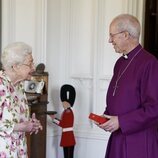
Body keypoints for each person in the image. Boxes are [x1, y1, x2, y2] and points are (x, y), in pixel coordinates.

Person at [97, 14, 158, 158]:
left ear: (126, 35)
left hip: (139, 142)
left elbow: (154, 108)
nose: (110, 40)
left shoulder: (150, 63)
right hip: (118, 139)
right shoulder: (119, 63)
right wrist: (107, 118)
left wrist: (121, 122)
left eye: (112, 36)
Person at [0, 42, 43, 158]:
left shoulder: (19, 86)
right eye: (30, 63)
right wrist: (19, 127)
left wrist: (30, 123)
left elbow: (11, 118)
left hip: (19, 150)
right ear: (15, 66)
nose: (33, 67)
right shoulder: (0, 85)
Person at [50, 84, 76, 158]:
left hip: (68, 137)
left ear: (68, 103)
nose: (62, 104)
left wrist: (54, 119)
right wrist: (54, 118)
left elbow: (64, 124)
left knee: (68, 155)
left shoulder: (68, 112)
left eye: (64, 103)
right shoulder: (67, 111)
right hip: (67, 136)